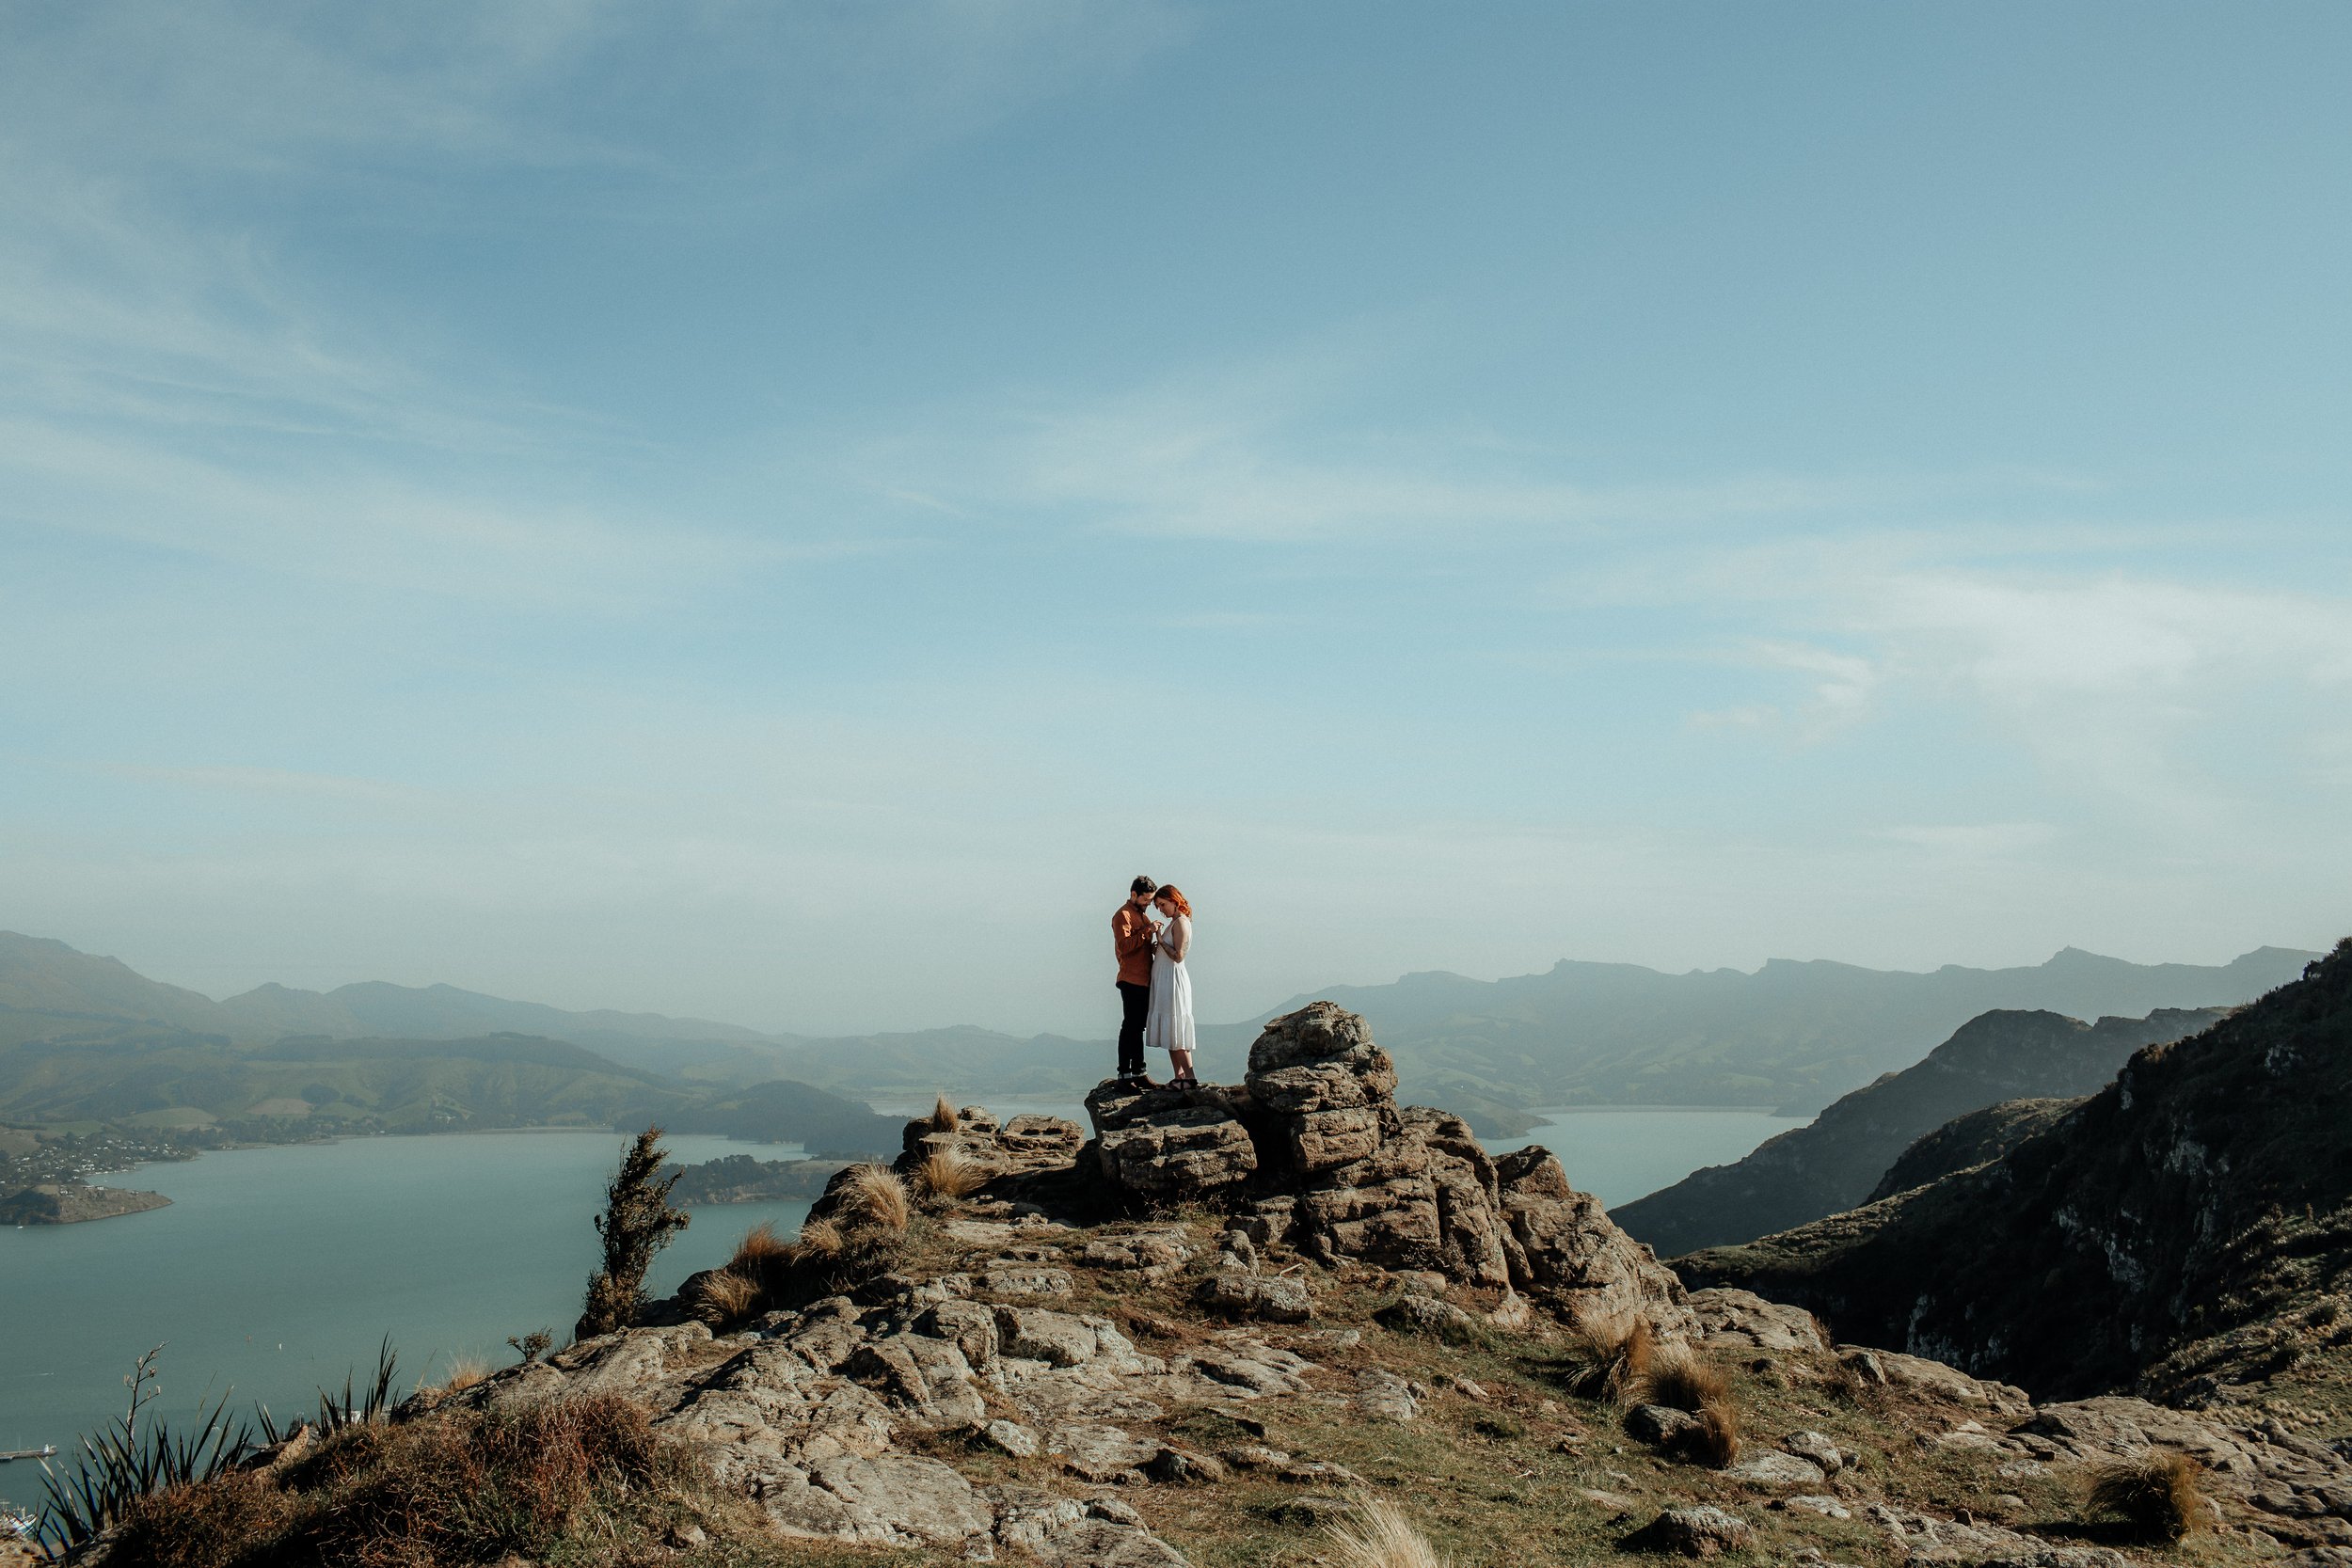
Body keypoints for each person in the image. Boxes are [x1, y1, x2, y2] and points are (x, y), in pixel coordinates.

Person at [1145, 885, 1197, 1085]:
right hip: (1165, 980)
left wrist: (1159, 940)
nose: (1161, 910)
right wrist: (1156, 950)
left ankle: (1190, 1078)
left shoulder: (1181, 923)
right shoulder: (1174, 923)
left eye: (1163, 904)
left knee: (1176, 1028)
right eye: (1158, 906)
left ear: (1174, 901)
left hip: (1173, 981)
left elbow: (1178, 956)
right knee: (1170, 1030)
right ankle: (1180, 1076)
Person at [1111, 875, 1158, 1083]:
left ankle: (1139, 1072)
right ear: (1134, 894)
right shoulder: (1123, 915)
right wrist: (1147, 931)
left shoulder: (1141, 916)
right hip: (1130, 979)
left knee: (1138, 1026)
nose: (1149, 904)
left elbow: (1141, 946)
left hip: (1144, 980)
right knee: (1130, 1026)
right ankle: (1124, 1074)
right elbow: (1124, 946)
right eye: (1146, 899)